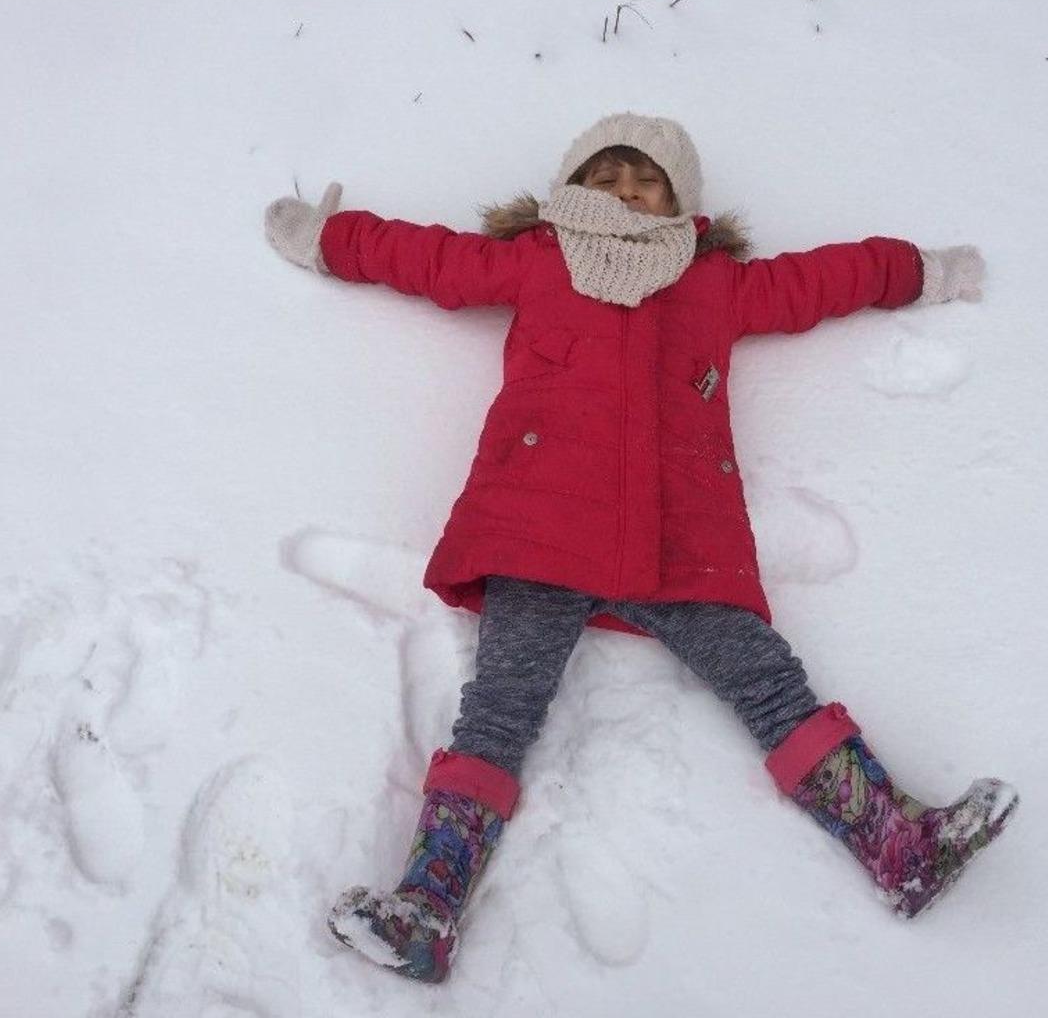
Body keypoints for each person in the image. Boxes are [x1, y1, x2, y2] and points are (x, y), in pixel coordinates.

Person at [264, 113, 1018, 983]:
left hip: (680, 539)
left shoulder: (713, 283)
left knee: (771, 685)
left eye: (647, 181)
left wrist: (924, 271)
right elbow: (426, 258)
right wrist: (325, 238)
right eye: (609, 176)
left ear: (681, 200)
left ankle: (900, 848)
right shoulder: (537, 260)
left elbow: (828, 279)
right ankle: (427, 909)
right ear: (572, 189)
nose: (627, 193)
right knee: (499, 713)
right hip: (538, 525)